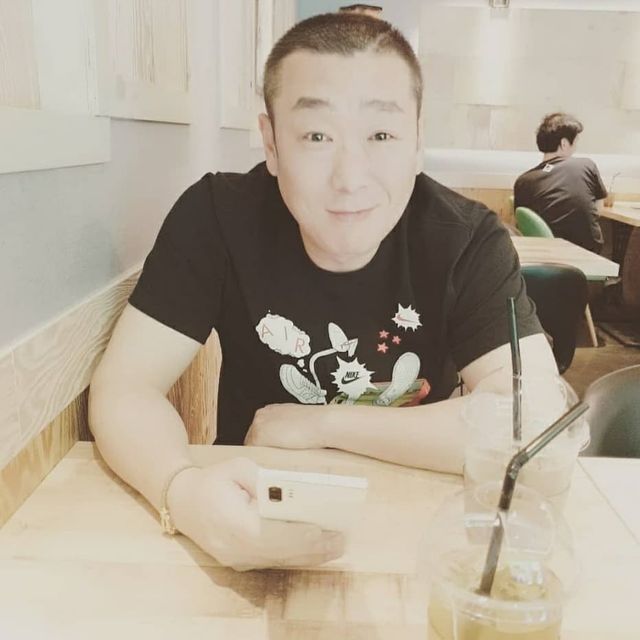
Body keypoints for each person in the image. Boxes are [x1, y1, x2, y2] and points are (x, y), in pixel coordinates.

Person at [89, 12, 556, 570]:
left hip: (423, 526)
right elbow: (126, 387)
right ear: (271, 143)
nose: (350, 178)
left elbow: (531, 418)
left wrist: (322, 422)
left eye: (381, 135)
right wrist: (183, 492)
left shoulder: (465, 239)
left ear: (417, 141)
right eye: (316, 136)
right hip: (256, 508)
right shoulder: (218, 218)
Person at [514, 113, 608, 253]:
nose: (575, 148)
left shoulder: (523, 181)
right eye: (575, 143)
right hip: (586, 252)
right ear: (564, 144)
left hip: (542, 252)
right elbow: (599, 209)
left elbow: (522, 224)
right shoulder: (586, 165)